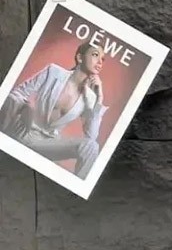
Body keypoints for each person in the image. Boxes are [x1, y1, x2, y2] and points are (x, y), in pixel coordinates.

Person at [0, 42, 108, 179]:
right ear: (80, 58)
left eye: (102, 59)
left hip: (48, 143)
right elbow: (18, 93)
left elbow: (91, 136)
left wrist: (99, 99)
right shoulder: (53, 72)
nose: (100, 62)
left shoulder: (90, 98)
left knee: (91, 146)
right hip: (23, 131)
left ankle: (73, 188)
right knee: (11, 100)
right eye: (95, 55)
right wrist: (26, 109)